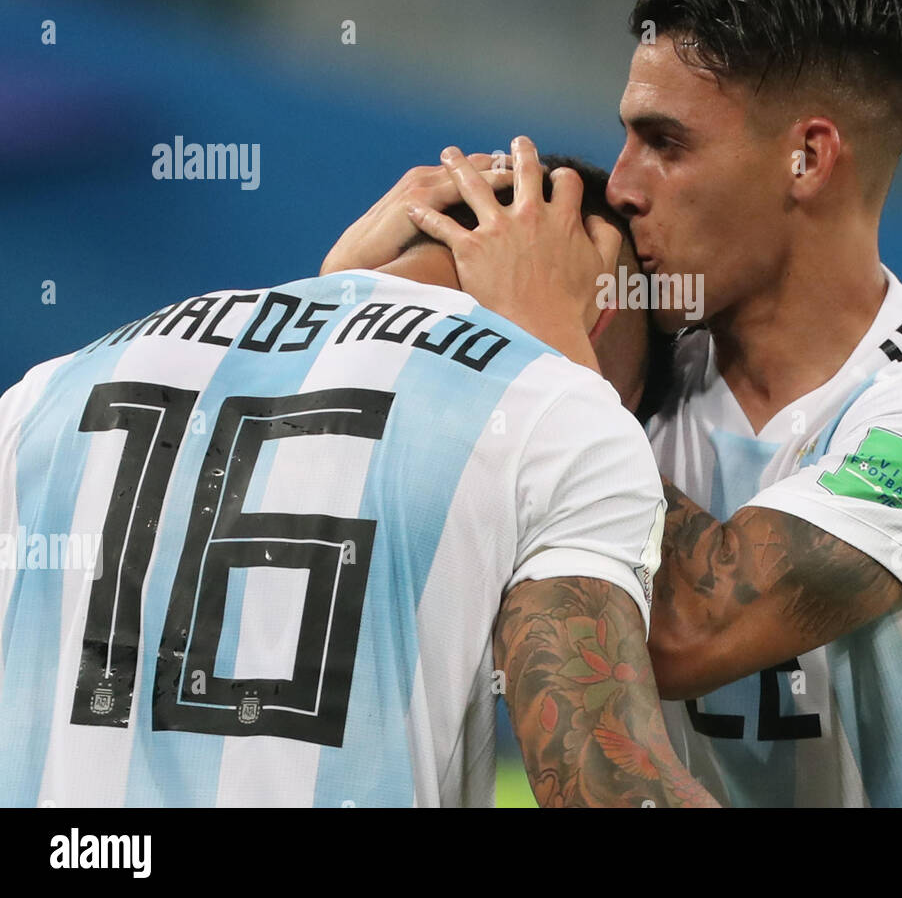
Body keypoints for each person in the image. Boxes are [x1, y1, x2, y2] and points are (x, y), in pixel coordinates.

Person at [339, 0, 902, 807]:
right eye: (626, 138)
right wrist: (351, 303)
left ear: (808, 159)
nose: (624, 184)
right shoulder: (636, 375)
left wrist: (551, 356)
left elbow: (687, 627)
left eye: (666, 143)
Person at [0, 151, 716, 809]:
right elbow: (613, 788)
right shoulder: (564, 411)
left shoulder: (41, 396)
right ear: (597, 307)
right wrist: (578, 386)